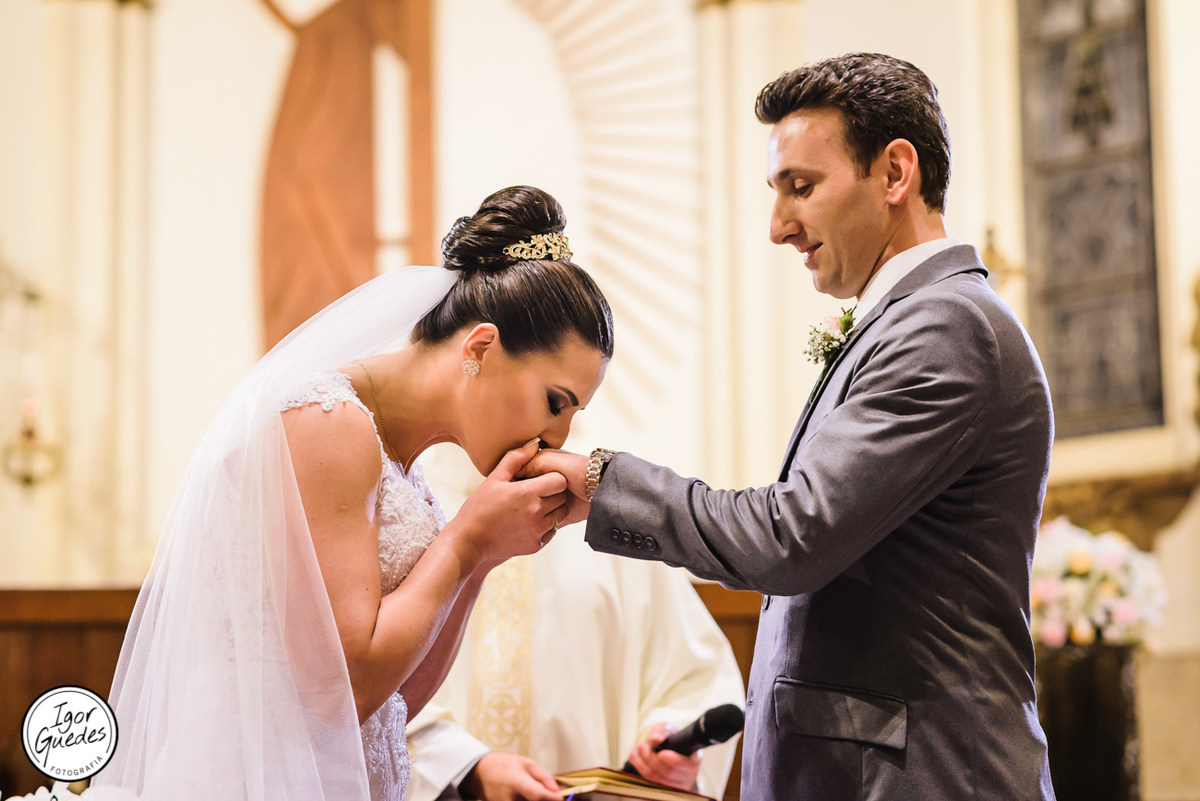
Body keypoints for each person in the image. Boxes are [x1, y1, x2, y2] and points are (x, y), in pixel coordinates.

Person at [527, 54, 1057, 800]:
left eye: (800, 187)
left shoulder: (947, 327)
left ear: (895, 173)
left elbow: (794, 537)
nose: (779, 227)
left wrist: (601, 481)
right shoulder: (913, 322)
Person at [90, 186, 614, 801]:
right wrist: (468, 542)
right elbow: (342, 691)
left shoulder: (405, 468)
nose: (558, 436)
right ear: (479, 348)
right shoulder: (327, 422)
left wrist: (485, 558)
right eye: (555, 402)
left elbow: (394, 701)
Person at [404, 530, 745, 801]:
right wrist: (467, 765)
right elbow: (380, 690)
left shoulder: (615, 520)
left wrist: (665, 746)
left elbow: (694, 679)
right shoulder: (411, 494)